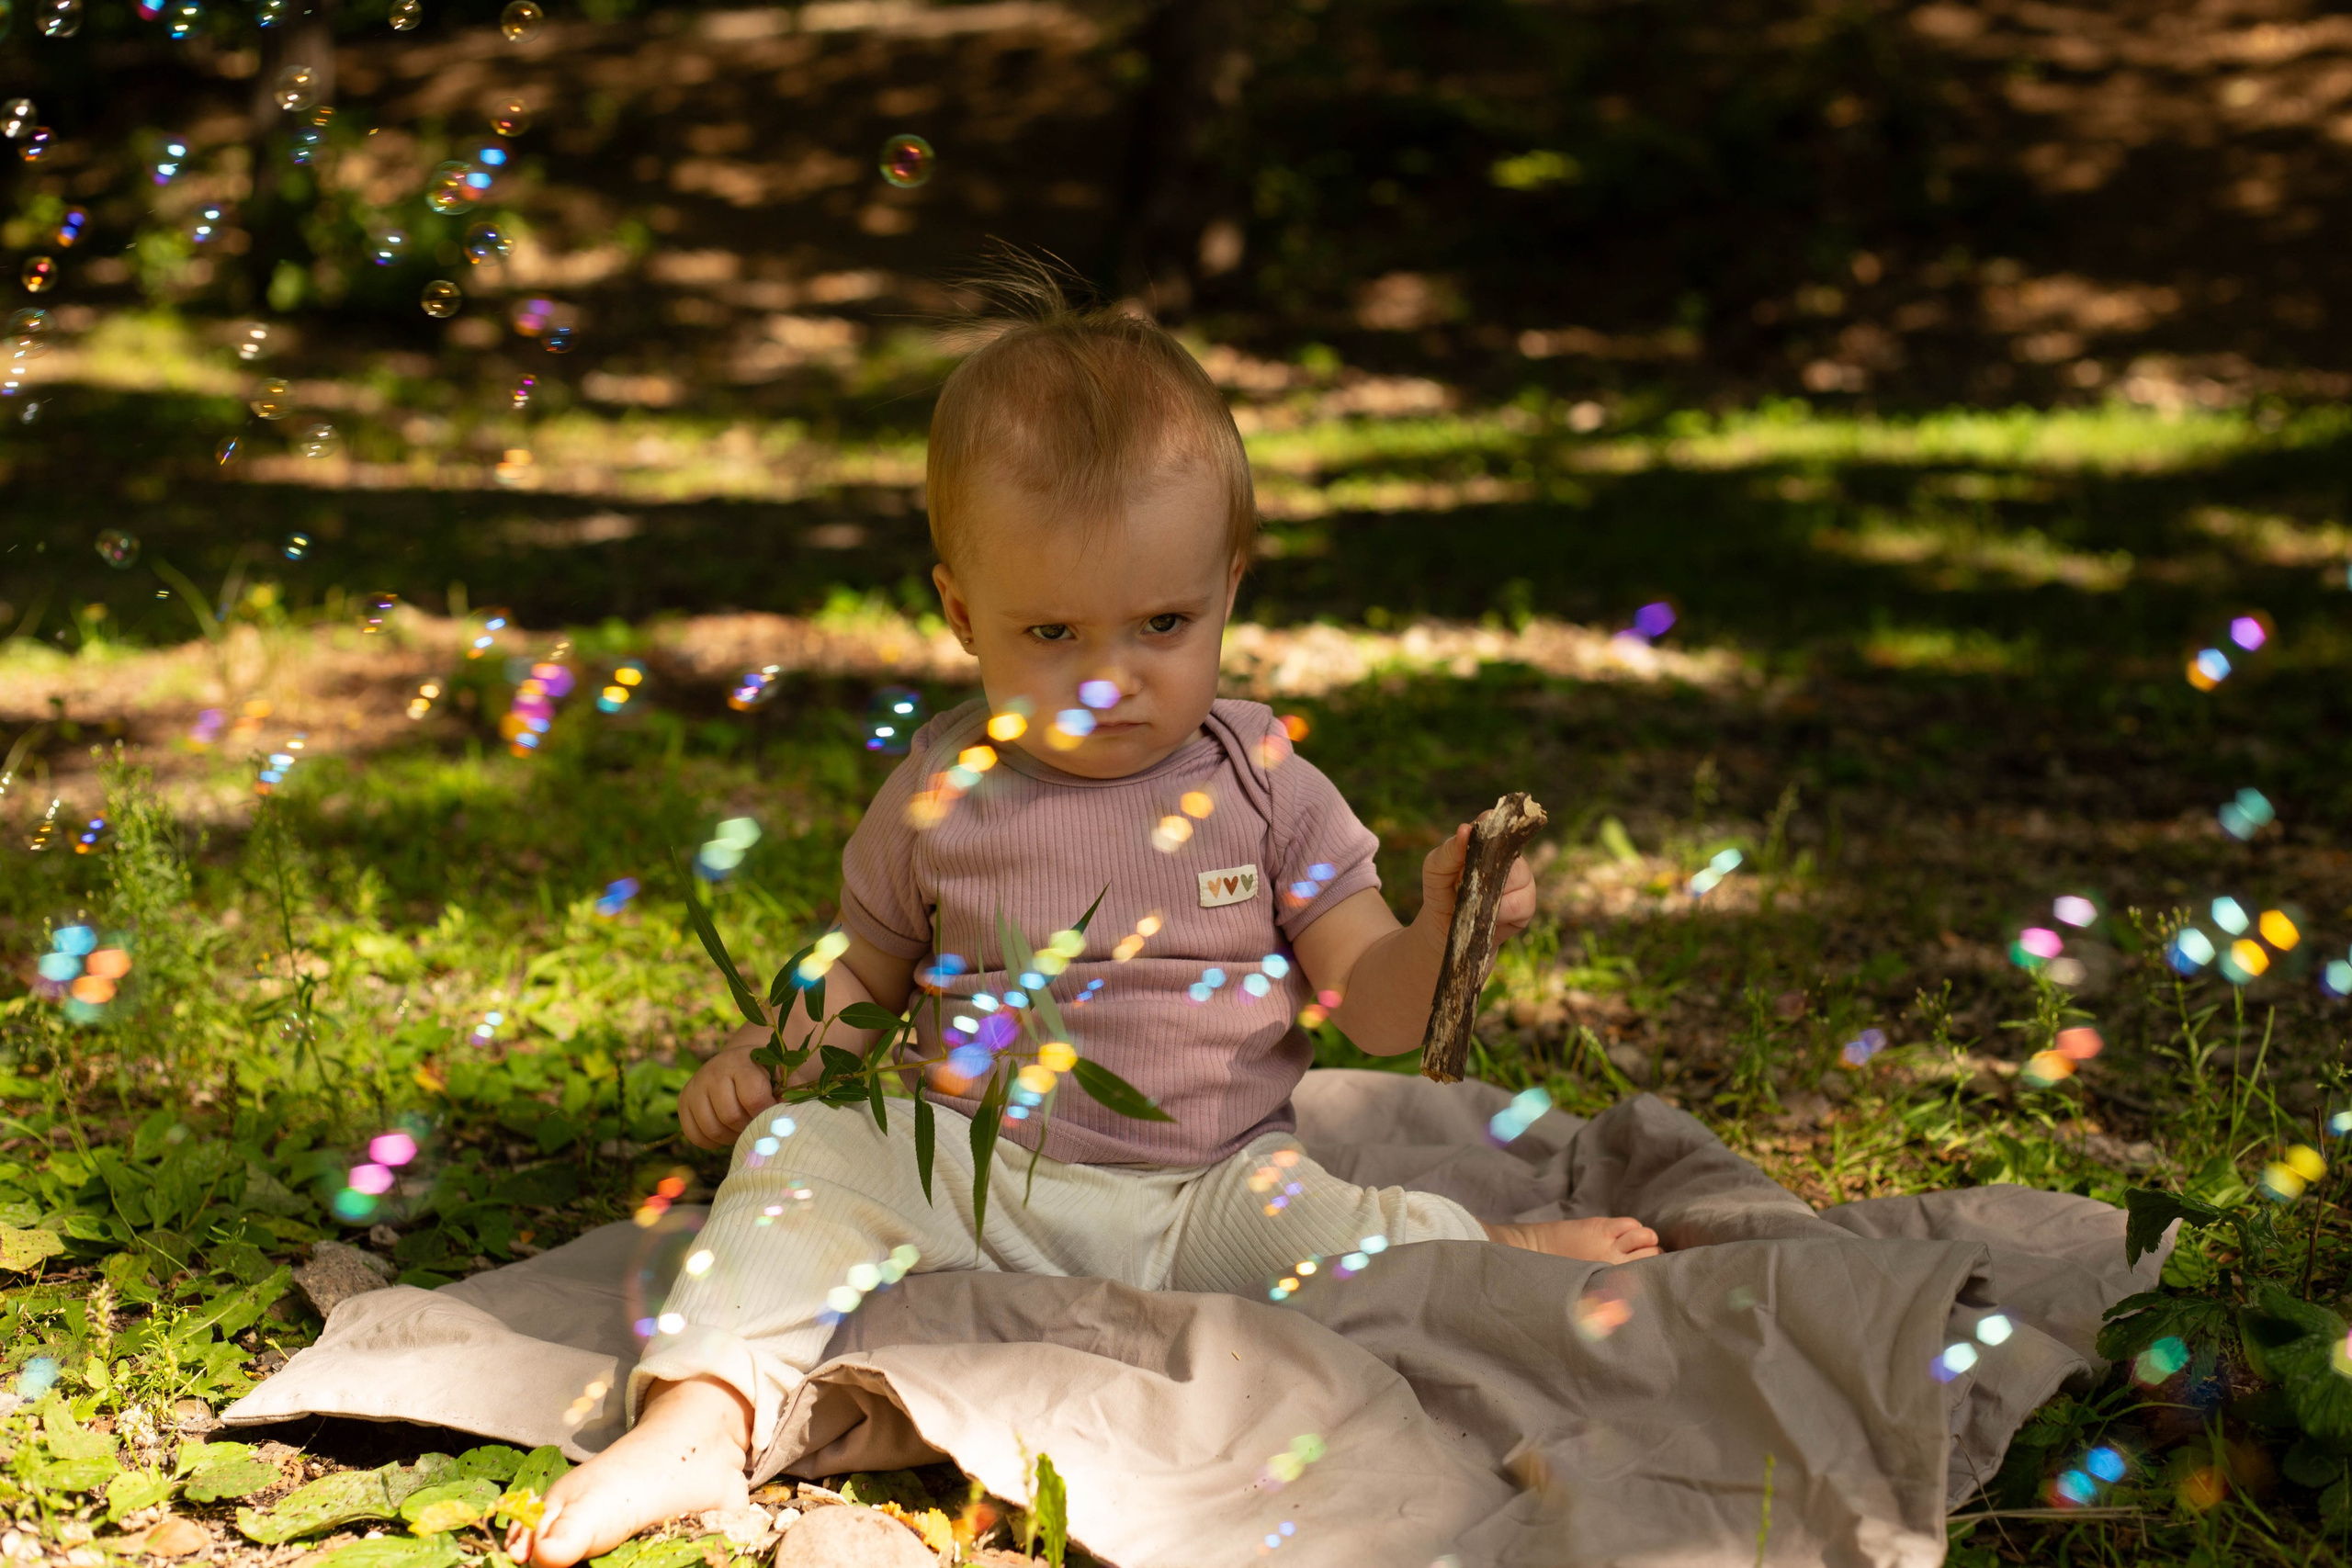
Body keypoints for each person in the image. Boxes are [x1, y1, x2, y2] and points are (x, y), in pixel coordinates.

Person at [513, 265, 1658, 1567]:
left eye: (1163, 622)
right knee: (803, 1165)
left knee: (1339, 1240)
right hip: (972, 1162)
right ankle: (700, 1417)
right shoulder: (944, 791)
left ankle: (1480, 1244)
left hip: (1208, 1184)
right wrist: (777, 1061)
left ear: (1229, 586)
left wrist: (1448, 933)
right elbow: (864, 974)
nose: (1113, 679)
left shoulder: (1263, 783)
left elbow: (1376, 1014)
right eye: (1053, 630)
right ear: (961, 614)